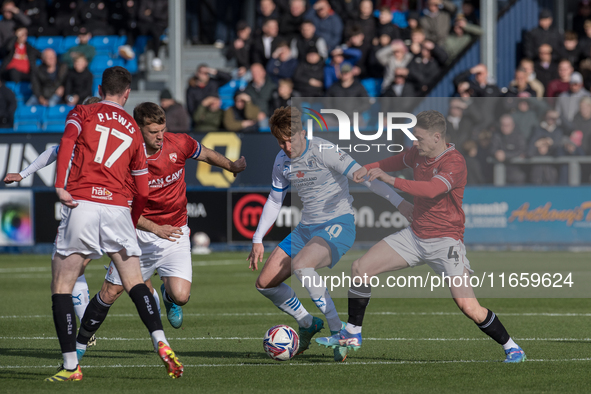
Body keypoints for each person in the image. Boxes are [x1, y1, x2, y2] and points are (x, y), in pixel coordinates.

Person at [315, 110, 526, 364]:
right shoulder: (417, 153)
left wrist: (390, 180)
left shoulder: (454, 161)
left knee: (468, 307)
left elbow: (431, 189)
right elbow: (391, 162)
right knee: (361, 268)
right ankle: (352, 333)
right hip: (415, 236)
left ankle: (512, 347)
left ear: (437, 137)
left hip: (446, 241)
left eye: (419, 138)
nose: (415, 143)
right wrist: (364, 169)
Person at [74, 102, 246, 357]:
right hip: (135, 234)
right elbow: (124, 208)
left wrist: (230, 166)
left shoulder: (179, 143)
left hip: (174, 232)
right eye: (153, 131)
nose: (159, 136)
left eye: (162, 129)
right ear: (138, 129)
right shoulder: (122, 159)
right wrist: (154, 227)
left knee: (181, 296)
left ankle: (167, 295)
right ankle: (78, 347)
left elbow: (206, 153)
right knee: (110, 292)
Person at [45, 66, 182, 381]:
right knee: (134, 282)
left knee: (62, 285)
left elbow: (67, 141)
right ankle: (161, 342)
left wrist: (59, 185)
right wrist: (132, 221)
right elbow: (143, 189)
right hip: (118, 208)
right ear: (127, 93)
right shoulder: (135, 130)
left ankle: (70, 367)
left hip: (83, 203)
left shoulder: (83, 112)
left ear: (100, 87)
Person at [247, 106, 413, 362]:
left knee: (303, 266)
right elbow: (274, 199)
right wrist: (257, 239)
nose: (287, 147)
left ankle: (339, 332)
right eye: (281, 142)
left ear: (303, 132)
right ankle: (307, 322)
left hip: (338, 224)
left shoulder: (324, 151)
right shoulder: (281, 161)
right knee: (265, 284)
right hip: (305, 229)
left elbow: (367, 178)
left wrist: (400, 203)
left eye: (292, 140)